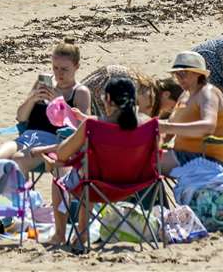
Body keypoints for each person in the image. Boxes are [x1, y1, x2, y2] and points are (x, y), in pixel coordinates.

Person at [47, 75, 153, 249]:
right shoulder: (147, 124)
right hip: (136, 185)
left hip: (97, 187)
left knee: (66, 175)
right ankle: (81, 233)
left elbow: (62, 154)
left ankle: (71, 235)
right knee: (91, 174)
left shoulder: (93, 125)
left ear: (108, 100)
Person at [0, 41, 93, 169]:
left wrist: (60, 103)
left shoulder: (80, 92)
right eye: (55, 68)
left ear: (76, 67)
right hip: (27, 138)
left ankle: (23, 189)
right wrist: (33, 98)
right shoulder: (43, 84)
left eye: (64, 69)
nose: (59, 73)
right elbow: (21, 118)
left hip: (54, 144)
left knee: (18, 160)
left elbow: (83, 127)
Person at [157, 52, 223, 171]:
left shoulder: (208, 93)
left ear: (198, 74)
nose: (178, 78)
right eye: (176, 74)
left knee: (146, 163)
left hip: (210, 159)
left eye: (183, 73)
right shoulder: (185, 95)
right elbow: (168, 134)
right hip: (185, 154)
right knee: (141, 158)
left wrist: (167, 127)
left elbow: (208, 126)